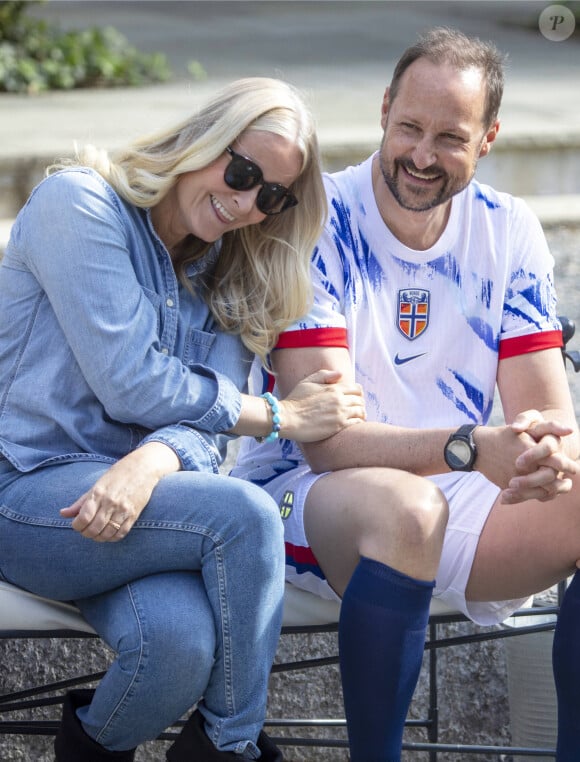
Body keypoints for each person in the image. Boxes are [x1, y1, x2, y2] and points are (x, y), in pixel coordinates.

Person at [232, 29, 580, 762]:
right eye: (410, 128)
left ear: (487, 140)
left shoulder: (508, 228)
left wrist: (543, 452)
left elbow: (545, 415)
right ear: (384, 109)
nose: (422, 155)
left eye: (449, 137)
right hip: (303, 496)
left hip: (461, 488)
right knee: (409, 510)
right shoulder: (314, 218)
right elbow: (324, 442)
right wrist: (470, 447)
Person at [0, 77, 366, 762]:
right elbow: (132, 380)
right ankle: (233, 748)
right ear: (203, 140)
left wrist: (151, 462)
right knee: (247, 517)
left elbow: (203, 435)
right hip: (24, 496)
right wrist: (276, 414)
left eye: (273, 196)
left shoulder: (225, 274)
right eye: (244, 171)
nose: (249, 201)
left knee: (177, 649)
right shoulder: (78, 205)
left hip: (139, 511)